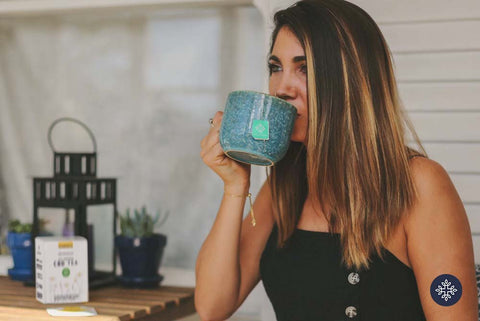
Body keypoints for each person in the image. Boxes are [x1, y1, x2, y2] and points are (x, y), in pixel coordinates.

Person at [196, 0, 478, 320]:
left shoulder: (419, 184)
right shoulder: (283, 188)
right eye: (276, 67)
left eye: (303, 68)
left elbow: (451, 299)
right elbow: (211, 306)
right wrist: (235, 187)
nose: (281, 88)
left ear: (351, 79)